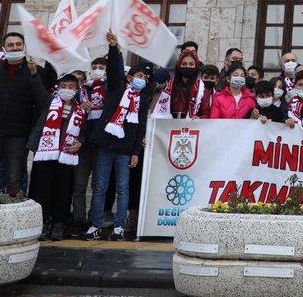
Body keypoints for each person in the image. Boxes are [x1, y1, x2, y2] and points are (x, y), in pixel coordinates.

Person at [84, 32, 148, 241]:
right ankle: (96, 224)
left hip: (125, 150)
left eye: (145, 78)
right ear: (130, 78)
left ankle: (119, 226)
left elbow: (140, 129)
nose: (142, 81)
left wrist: (136, 152)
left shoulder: (142, 101)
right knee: (100, 187)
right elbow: (114, 71)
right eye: (139, 77)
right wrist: (114, 49)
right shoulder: (118, 89)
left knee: (123, 188)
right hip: (105, 146)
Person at [0, 31, 49, 193]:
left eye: (18, 44)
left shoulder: (36, 71)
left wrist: (34, 75)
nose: (15, 48)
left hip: (18, 135)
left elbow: (43, 102)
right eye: (10, 45)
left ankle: (16, 216)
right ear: (4, 48)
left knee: (15, 179)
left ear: (24, 47)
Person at [28, 72, 86, 240]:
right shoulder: (49, 102)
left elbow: (84, 131)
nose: (66, 90)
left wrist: (80, 142)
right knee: (43, 187)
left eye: (70, 87)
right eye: (63, 86)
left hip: (66, 154)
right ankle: (44, 221)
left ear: (76, 90)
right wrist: (34, 73)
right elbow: (38, 90)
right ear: (57, 88)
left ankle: (59, 222)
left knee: (63, 188)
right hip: (46, 153)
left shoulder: (81, 109)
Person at [152, 48, 212, 119]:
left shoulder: (202, 90)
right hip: (170, 125)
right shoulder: (169, 87)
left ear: (196, 67)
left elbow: (206, 114)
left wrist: (199, 119)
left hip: (191, 126)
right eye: (184, 64)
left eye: (191, 64)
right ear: (179, 66)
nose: (188, 66)